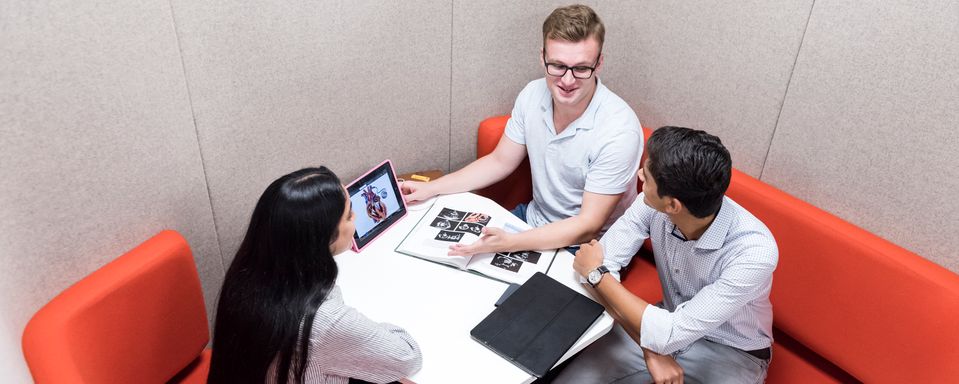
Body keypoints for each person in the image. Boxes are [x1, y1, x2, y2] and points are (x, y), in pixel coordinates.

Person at [402, 4, 642, 256]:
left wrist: (510, 243)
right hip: (532, 221)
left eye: (581, 68)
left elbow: (588, 225)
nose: (568, 80)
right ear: (542, 57)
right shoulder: (532, 94)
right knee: (443, 257)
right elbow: (499, 161)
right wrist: (431, 187)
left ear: (599, 63)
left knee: (512, 294)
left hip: (588, 247)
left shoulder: (619, 130)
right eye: (558, 66)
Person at [554, 127, 778, 384]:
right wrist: (651, 349)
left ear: (673, 205)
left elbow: (594, 271)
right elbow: (598, 269)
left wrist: (596, 274)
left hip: (732, 351)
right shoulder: (652, 204)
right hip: (662, 320)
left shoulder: (754, 251)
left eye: (647, 177)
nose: (639, 175)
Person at [208, 167, 422, 384]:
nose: (355, 217)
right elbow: (408, 357)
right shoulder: (324, 320)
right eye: (349, 214)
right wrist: (367, 331)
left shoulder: (247, 278)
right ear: (323, 237)